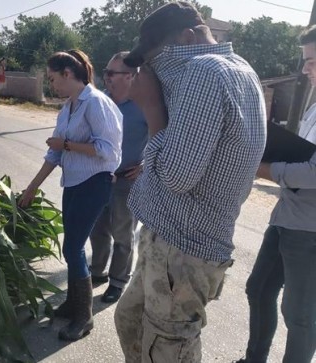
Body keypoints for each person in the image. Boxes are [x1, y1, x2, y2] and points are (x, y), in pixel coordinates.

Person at [114, 2, 266, 362]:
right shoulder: (241, 68)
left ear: (189, 37)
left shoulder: (204, 71)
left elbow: (176, 177)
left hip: (182, 250)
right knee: (130, 320)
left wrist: (151, 108)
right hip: (173, 240)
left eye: (158, 62)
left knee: (167, 348)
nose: (152, 73)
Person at [18, 50, 122, 341]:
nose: (52, 85)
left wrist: (67, 144)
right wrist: (32, 186)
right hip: (74, 182)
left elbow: (108, 151)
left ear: (67, 73)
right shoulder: (68, 107)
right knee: (71, 245)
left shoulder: (96, 103)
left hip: (95, 182)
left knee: (73, 247)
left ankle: (84, 316)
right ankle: (73, 303)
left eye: (53, 78)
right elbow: (54, 152)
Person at [236, 25, 316, 363]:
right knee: (259, 289)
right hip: (287, 215)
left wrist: (265, 168)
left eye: (311, 61)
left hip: (309, 229)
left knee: (299, 315)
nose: (304, 69)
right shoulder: (314, 106)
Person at [89, 51, 148, 304]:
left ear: (130, 76)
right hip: (99, 177)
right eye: (106, 72)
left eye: (112, 73)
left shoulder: (145, 105)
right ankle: (98, 271)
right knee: (97, 229)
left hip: (128, 180)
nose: (107, 77)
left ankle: (117, 281)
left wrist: (145, 164)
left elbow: (162, 138)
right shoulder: (100, 102)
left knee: (123, 235)